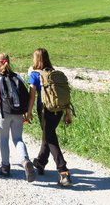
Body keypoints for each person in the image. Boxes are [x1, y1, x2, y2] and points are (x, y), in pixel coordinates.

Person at [27, 48, 73, 187]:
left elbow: (32, 96)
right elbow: (64, 94)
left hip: (45, 110)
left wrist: (28, 112)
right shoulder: (55, 73)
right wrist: (68, 113)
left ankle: (63, 171)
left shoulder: (35, 75)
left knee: (50, 137)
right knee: (48, 135)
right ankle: (40, 162)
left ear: (36, 59)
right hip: (58, 110)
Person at [0, 53, 36, 182]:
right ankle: (25, 160)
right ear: (9, 62)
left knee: (4, 139)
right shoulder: (18, 77)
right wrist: (26, 112)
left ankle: (5, 167)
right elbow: (24, 95)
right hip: (18, 112)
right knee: (18, 139)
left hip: (4, 113)